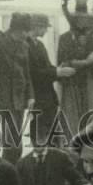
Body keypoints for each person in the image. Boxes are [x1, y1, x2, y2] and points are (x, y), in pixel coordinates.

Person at [0, 12, 35, 163]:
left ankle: (12, 170)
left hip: (19, 97)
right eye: (24, 31)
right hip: (4, 96)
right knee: (12, 140)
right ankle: (7, 170)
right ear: (17, 29)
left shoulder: (24, 45)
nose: (26, 34)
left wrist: (31, 95)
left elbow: (27, 72)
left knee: (16, 139)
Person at [57, 0, 93, 138]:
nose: (83, 25)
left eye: (86, 21)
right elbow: (64, 63)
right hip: (72, 85)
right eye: (80, 20)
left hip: (90, 84)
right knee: (73, 121)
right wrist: (87, 62)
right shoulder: (65, 38)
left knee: (90, 120)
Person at [26, 14, 74, 148]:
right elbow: (33, 73)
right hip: (36, 97)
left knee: (51, 134)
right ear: (36, 27)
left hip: (48, 98)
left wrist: (59, 70)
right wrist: (57, 72)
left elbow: (46, 67)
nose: (46, 31)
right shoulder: (25, 45)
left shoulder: (39, 45)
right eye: (44, 27)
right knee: (40, 135)